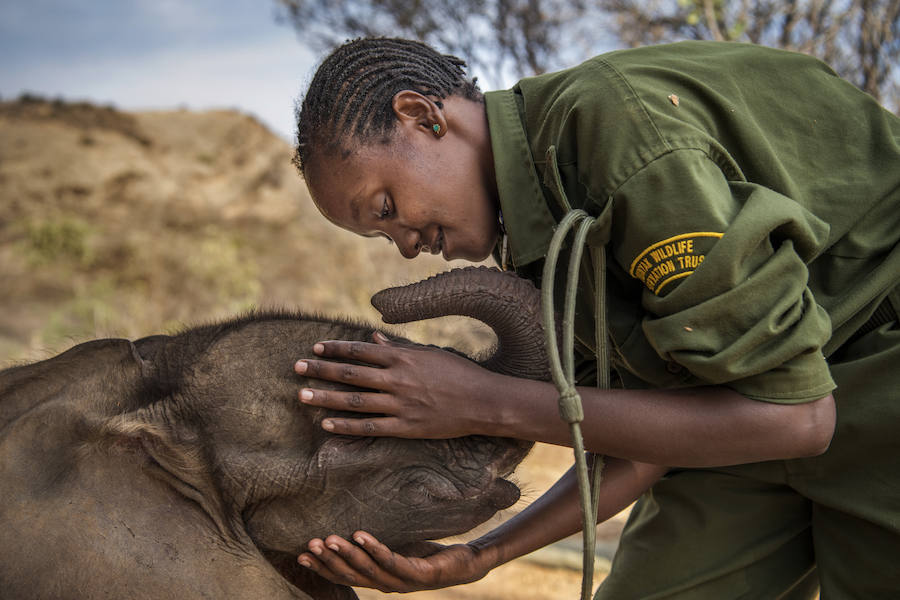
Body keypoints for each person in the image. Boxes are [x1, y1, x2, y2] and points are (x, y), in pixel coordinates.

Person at [290, 37, 900, 598]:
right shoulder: (536, 235)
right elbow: (645, 436)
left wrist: (481, 401)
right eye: (381, 234)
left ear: (422, 116)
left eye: (387, 207)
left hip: (873, 367)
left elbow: (797, 418)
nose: (404, 245)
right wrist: (481, 555)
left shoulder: (616, 135)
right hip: (747, 412)